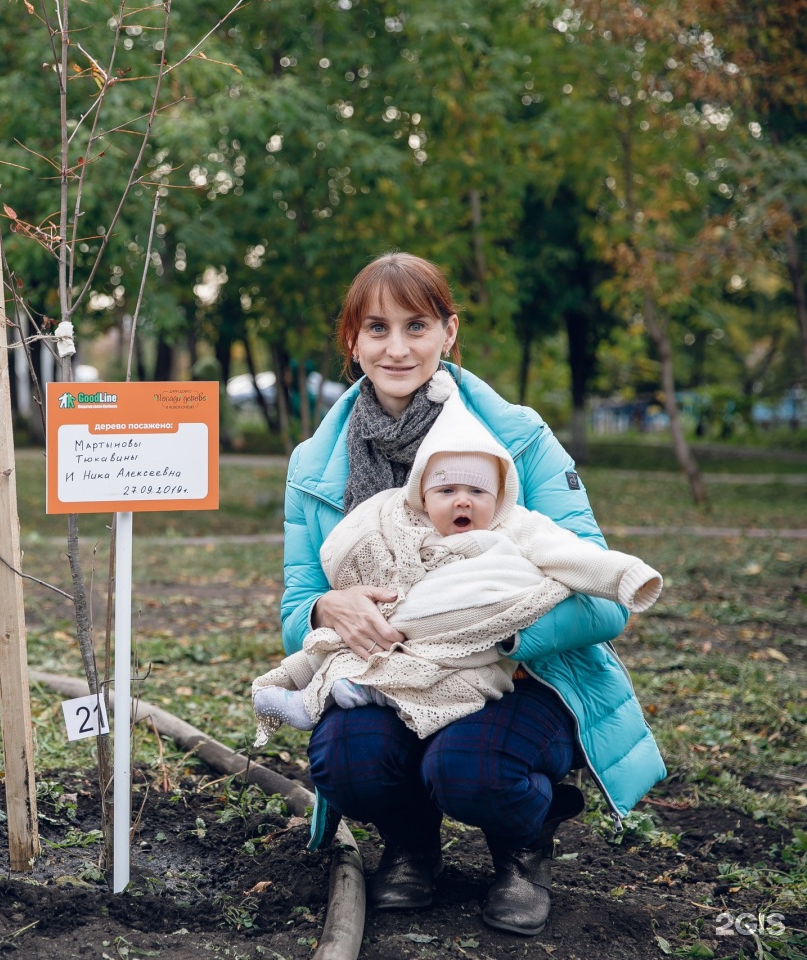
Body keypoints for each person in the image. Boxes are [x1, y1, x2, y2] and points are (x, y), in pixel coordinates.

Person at [280, 252, 665, 937]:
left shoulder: (517, 438)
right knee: (348, 757)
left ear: (448, 332)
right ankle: (410, 846)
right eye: (376, 328)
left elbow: (603, 596)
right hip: (389, 667)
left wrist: (507, 633)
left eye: (417, 325)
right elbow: (297, 604)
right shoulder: (317, 464)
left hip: (520, 674)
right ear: (351, 340)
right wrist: (323, 608)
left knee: (470, 767)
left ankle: (524, 847)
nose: (397, 348)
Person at [254, 370, 663, 742]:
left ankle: (342, 694)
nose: (462, 502)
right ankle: (308, 693)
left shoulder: (516, 523)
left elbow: (571, 555)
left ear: (447, 331)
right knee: (350, 736)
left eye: (477, 492)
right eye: (447, 492)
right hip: (389, 637)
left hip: (505, 659)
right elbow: (345, 546)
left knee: (467, 758)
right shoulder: (400, 518)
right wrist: (326, 605)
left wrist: (626, 576)